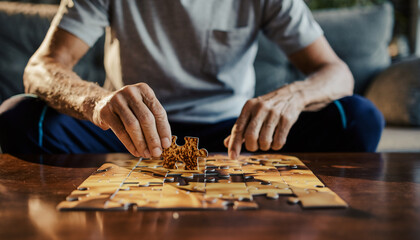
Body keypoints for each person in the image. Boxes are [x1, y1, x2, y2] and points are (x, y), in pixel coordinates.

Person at [0, 0, 384, 158]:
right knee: (17, 117)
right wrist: (97, 102)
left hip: (235, 134)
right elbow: (42, 66)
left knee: (360, 118)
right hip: (130, 132)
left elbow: (337, 72)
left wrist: (294, 96)